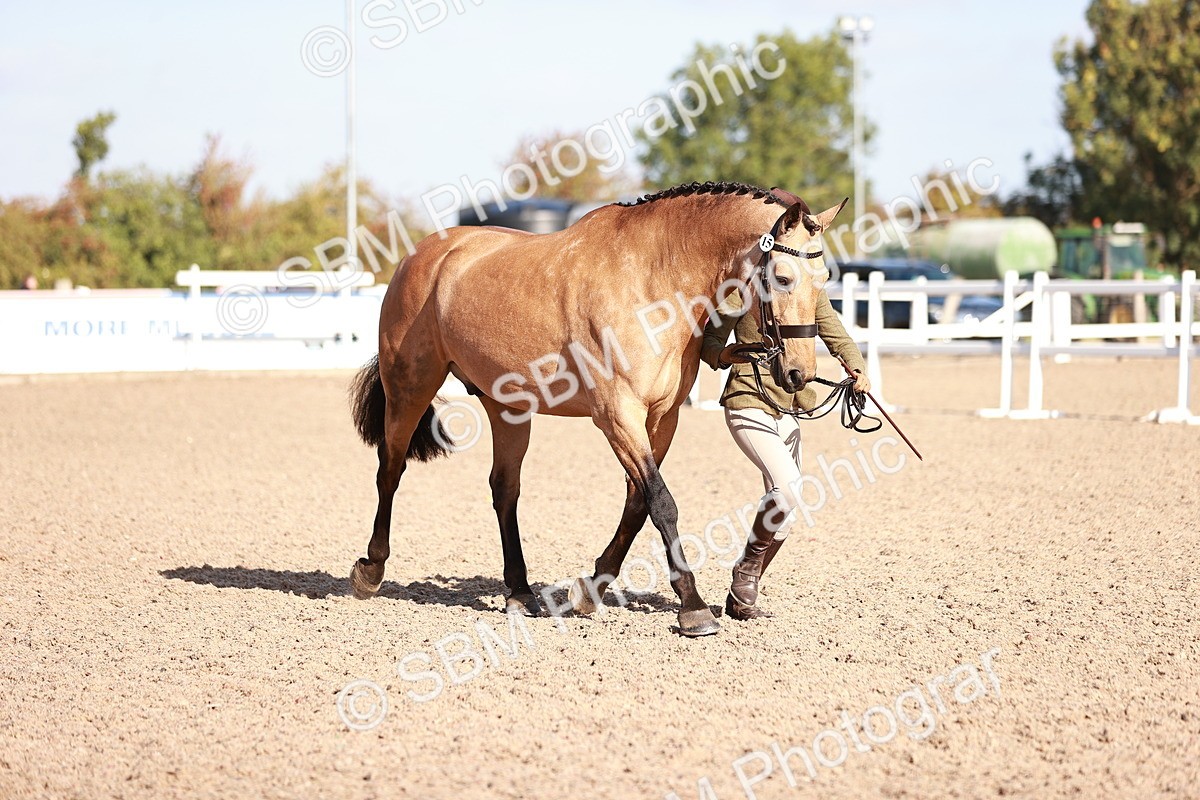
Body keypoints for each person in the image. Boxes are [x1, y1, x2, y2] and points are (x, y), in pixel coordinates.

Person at [700, 279, 869, 621]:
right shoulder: (744, 289)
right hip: (748, 398)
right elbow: (710, 342)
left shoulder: (811, 292)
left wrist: (858, 369)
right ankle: (746, 572)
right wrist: (724, 354)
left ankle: (740, 599)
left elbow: (836, 335)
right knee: (788, 487)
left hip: (789, 405)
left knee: (787, 514)